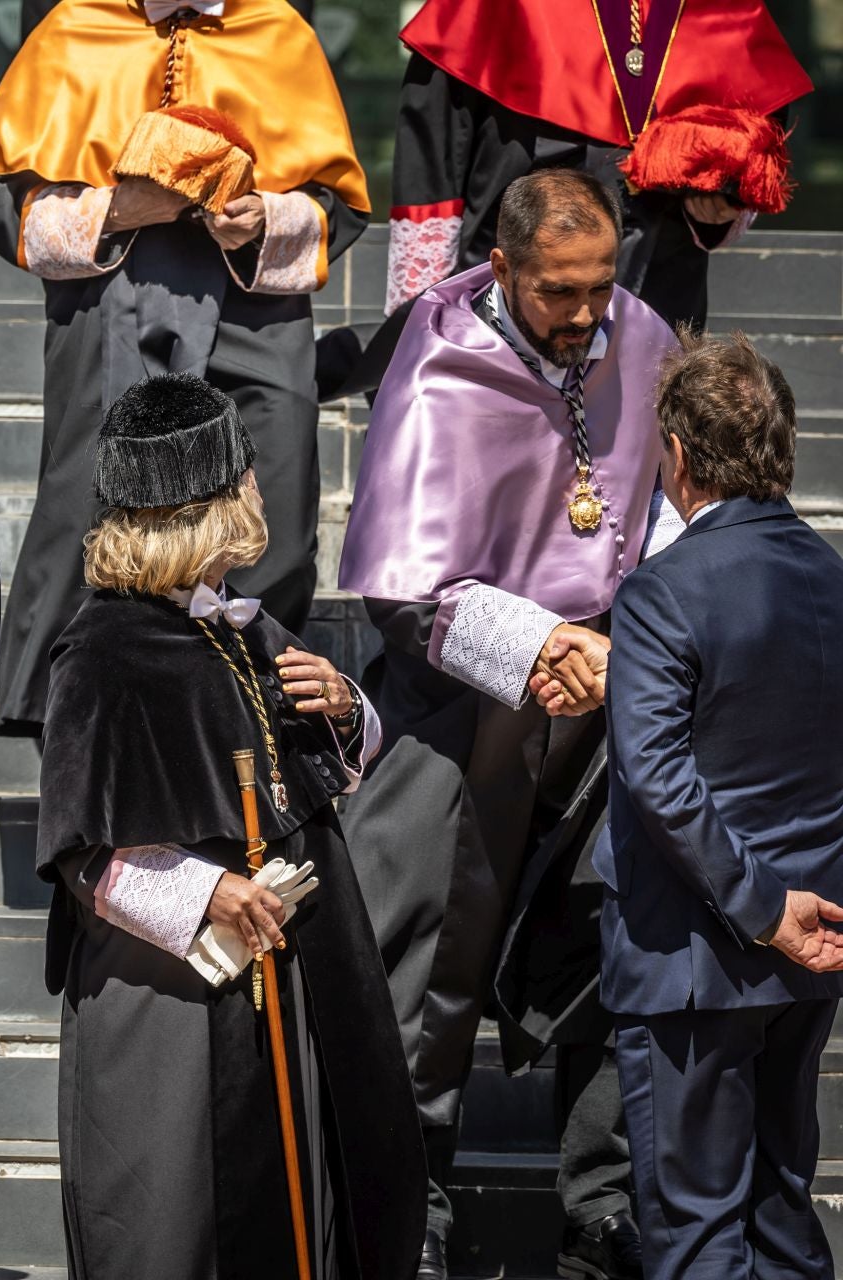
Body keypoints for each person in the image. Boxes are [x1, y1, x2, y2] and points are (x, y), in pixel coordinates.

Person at [336, 168, 680, 1280]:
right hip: (459, 699)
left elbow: (669, 507)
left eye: (599, 286)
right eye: (558, 293)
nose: (586, 316)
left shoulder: (640, 331)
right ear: (504, 265)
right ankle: (412, 1195)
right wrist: (538, 648)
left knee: (611, 935)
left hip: (613, 688)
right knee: (424, 964)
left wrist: (641, 638)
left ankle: (603, 1200)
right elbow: (403, 589)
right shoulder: (437, 357)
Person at [33, 372, 425, 1279]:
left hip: (286, 981)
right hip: (172, 995)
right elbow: (82, 852)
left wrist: (342, 701)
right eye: (245, 476)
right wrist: (210, 888)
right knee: (178, 1222)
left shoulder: (239, 626)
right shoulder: (103, 650)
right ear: (209, 502)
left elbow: (312, 773)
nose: (261, 489)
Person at [0, 0, 370, 737]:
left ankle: (250, 709)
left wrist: (264, 219)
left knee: (275, 497)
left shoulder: (277, 31)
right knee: (94, 499)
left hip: (253, 307)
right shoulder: (73, 26)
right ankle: (82, 718)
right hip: (108, 289)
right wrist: (116, 210)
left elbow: (334, 203)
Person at [598, 334, 843, 1280]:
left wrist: (760, 907)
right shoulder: (831, 578)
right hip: (809, 951)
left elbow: (657, 775)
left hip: (694, 959)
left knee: (696, 1224)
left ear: (682, 458)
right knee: (782, 1208)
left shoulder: (664, 589)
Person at [322, 0, 813, 400]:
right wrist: (421, 321)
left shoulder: (722, 12)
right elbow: (433, 176)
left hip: (655, 302)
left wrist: (718, 207)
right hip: (504, 310)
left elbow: (749, 148)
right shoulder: (494, 10)